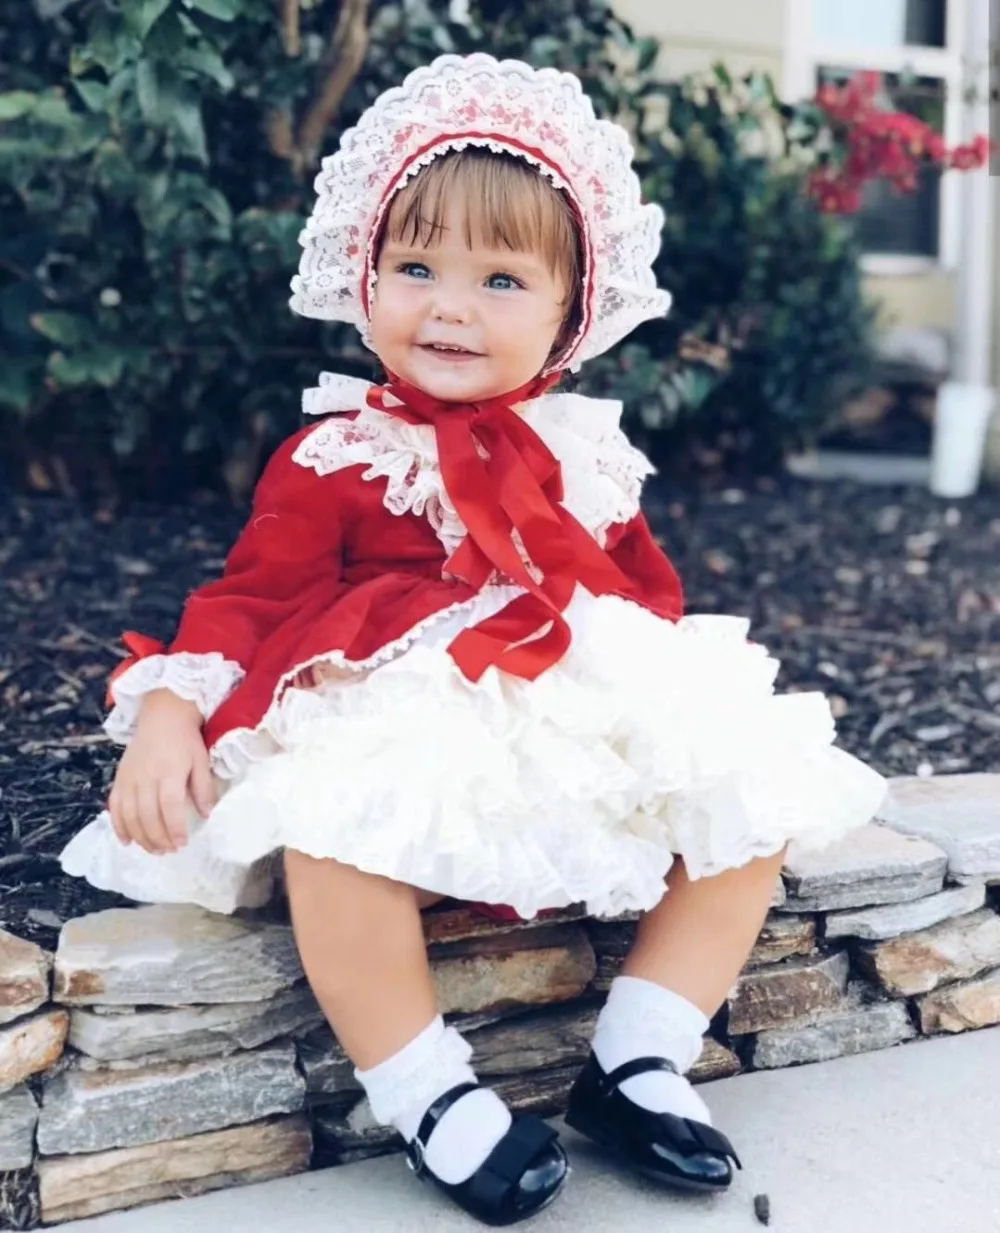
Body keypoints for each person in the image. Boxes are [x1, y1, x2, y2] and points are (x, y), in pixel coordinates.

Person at [60, 53, 886, 1227]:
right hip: (391, 706)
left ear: (568, 316)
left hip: (549, 697)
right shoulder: (339, 453)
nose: (448, 305)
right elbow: (248, 596)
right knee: (332, 832)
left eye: (500, 278)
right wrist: (168, 707)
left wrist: (654, 734)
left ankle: (641, 1057)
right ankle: (427, 1091)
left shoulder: (581, 456)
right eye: (416, 268)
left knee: (746, 794)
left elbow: (639, 595)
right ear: (365, 278)